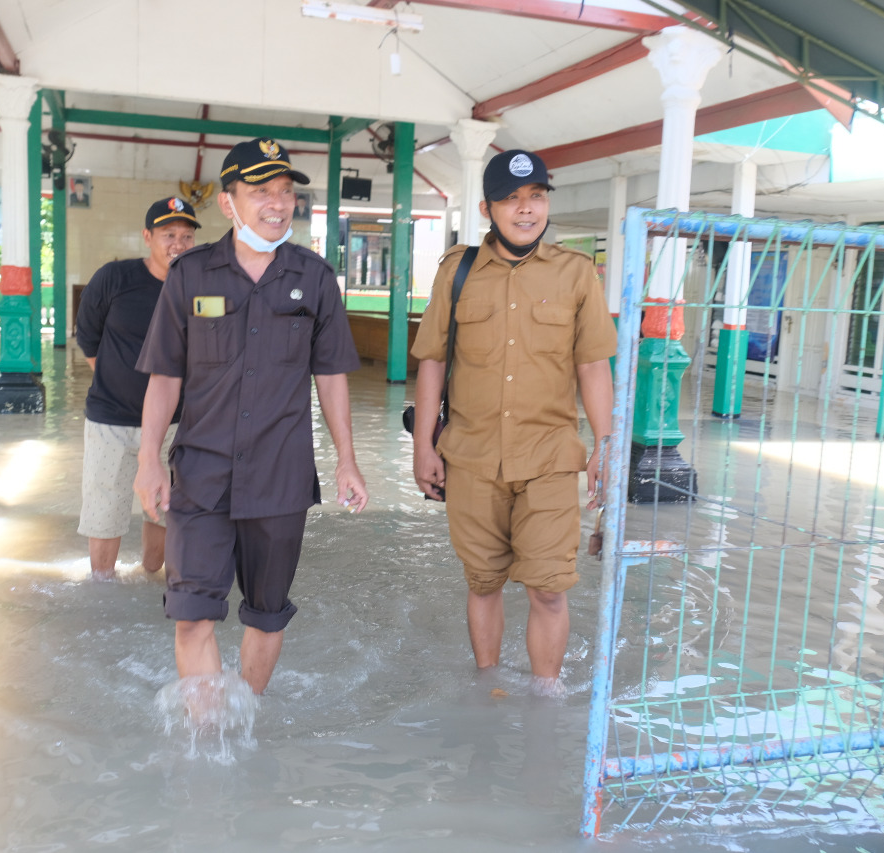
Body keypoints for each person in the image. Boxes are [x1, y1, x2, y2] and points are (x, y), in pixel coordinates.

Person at [134, 138, 368, 696]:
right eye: (261, 191)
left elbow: (331, 375)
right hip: (201, 476)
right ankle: (210, 737)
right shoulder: (190, 276)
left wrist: (347, 462)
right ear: (228, 203)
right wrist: (148, 460)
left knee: (265, 614)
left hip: (279, 478)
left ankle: (245, 721)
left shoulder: (314, 278)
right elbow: (164, 376)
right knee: (192, 615)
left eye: (285, 191)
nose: (277, 203)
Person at [410, 149, 616, 691]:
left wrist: (605, 445)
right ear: (487, 208)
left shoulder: (576, 273)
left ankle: (545, 701)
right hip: (472, 457)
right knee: (483, 582)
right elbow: (432, 359)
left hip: (549, 457)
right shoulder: (457, 272)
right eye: (511, 199)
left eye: (536, 197)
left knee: (549, 587)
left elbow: (592, 364)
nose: (526, 210)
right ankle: (489, 691)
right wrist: (423, 446)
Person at [75, 196, 200, 580]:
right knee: (104, 511)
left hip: (174, 424)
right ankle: (102, 588)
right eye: (168, 234)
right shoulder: (115, 279)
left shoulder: (200, 288)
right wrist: (120, 380)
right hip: (110, 419)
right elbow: (87, 338)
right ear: (147, 237)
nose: (178, 243)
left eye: (186, 235)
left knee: (164, 509)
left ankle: (150, 578)